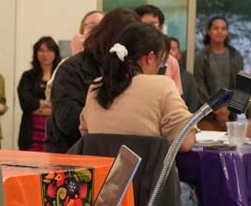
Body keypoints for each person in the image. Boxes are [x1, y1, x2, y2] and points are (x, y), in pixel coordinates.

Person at [80, 22, 196, 152]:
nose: (159, 68)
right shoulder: (162, 85)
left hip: (101, 171)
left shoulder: (96, 87)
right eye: (161, 63)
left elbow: (85, 135)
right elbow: (185, 142)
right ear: (150, 57)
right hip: (147, 171)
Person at [47, 8, 139, 152]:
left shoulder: (130, 68)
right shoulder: (71, 68)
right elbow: (67, 120)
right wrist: (113, 120)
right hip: (74, 157)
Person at [193, 16, 245, 130]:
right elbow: (199, 87)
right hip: (206, 116)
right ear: (209, 32)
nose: (219, 31)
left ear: (227, 32)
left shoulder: (235, 56)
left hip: (230, 116)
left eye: (223, 28)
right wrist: (215, 108)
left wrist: (227, 109)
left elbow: (240, 86)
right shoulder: (200, 57)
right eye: (216, 28)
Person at [17, 36, 58, 151]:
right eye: (41, 50)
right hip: (31, 130)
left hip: (54, 129)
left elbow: (61, 104)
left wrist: (39, 108)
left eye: (49, 50)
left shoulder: (61, 76)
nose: (45, 54)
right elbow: (26, 103)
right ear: (36, 53)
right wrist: (48, 104)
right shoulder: (28, 76)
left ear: (55, 53)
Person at [133, 4, 182, 92]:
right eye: (143, 25)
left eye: (153, 25)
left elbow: (177, 96)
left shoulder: (171, 61)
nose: (148, 30)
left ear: (161, 28)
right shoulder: (127, 57)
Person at [168, 36, 201, 112]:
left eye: (173, 49)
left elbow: (193, 107)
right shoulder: (156, 76)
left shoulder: (188, 78)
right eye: (167, 49)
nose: (169, 52)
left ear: (179, 55)